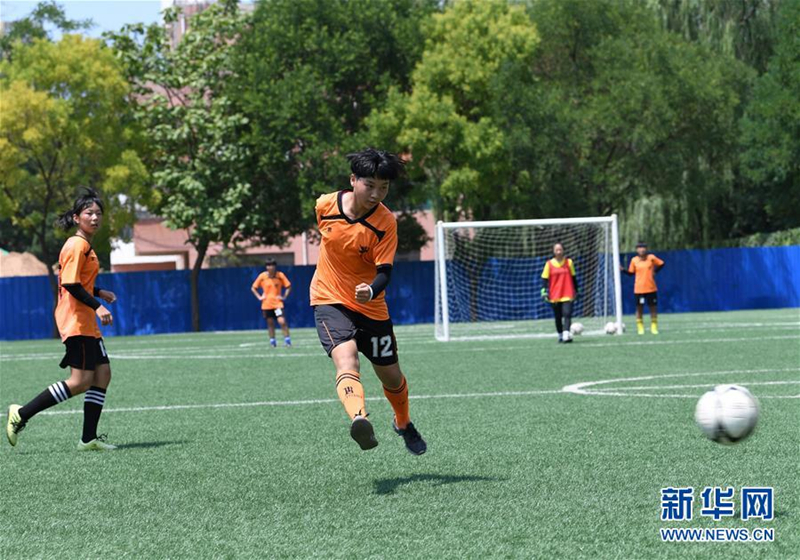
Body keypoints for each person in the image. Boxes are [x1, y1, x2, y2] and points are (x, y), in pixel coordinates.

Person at [310, 148, 426, 455]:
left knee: (391, 375)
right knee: (346, 359)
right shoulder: (325, 205)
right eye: (370, 185)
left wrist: (371, 290)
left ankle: (403, 422)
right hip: (329, 298)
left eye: (384, 187)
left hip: (371, 306)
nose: (376, 194)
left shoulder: (385, 222)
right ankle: (359, 417)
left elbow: (385, 273)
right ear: (353, 180)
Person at [6, 189, 117, 450]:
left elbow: (77, 279)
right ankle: (20, 414)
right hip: (76, 321)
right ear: (77, 217)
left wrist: (99, 291)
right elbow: (69, 283)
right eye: (89, 213)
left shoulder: (84, 245)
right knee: (79, 381)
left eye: (98, 213)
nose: (95, 218)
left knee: (102, 374)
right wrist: (97, 305)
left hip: (86, 322)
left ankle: (88, 439)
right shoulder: (76, 244)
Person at [622, 242, 665, 335]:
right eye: (640, 248)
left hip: (651, 288)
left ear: (646, 249)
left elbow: (662, 263)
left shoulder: (651, 258)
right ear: (637, 250)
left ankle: (654, 327)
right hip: (639, 289)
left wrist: (655, 272)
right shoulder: (634, 260)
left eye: (643, 247)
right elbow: (631, 273)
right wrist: (623, 270)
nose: (642, 249)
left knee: (653, 307)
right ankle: (640, 327)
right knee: (639, 308)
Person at [541, 243, 579, 343]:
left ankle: (566, 334)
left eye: (560, 249)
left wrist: (577, 290)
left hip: (567, 293)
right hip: (555, 295)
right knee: (558, 317)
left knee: (567, 314)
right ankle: (560, 335)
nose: (559, 251)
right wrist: (544, 292)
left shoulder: (569, 262)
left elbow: (573, 278)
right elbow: (544, 279)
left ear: (563, 250)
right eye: (557, 250)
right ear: (554, 251)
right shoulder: (549, 264)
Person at [251, 258, 292, 347]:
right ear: (266, 267)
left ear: (275, 266)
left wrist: (284, 297)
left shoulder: (280, 275)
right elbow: (253, 288)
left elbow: (288, 286)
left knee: (282, 321)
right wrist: (260, 297)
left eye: (272, 265)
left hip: (277, 304)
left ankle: (287, 340)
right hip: (266, 305)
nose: (270, 267)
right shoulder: (262, 276)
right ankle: (272, 341)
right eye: (268, 265)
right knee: (270, 323)